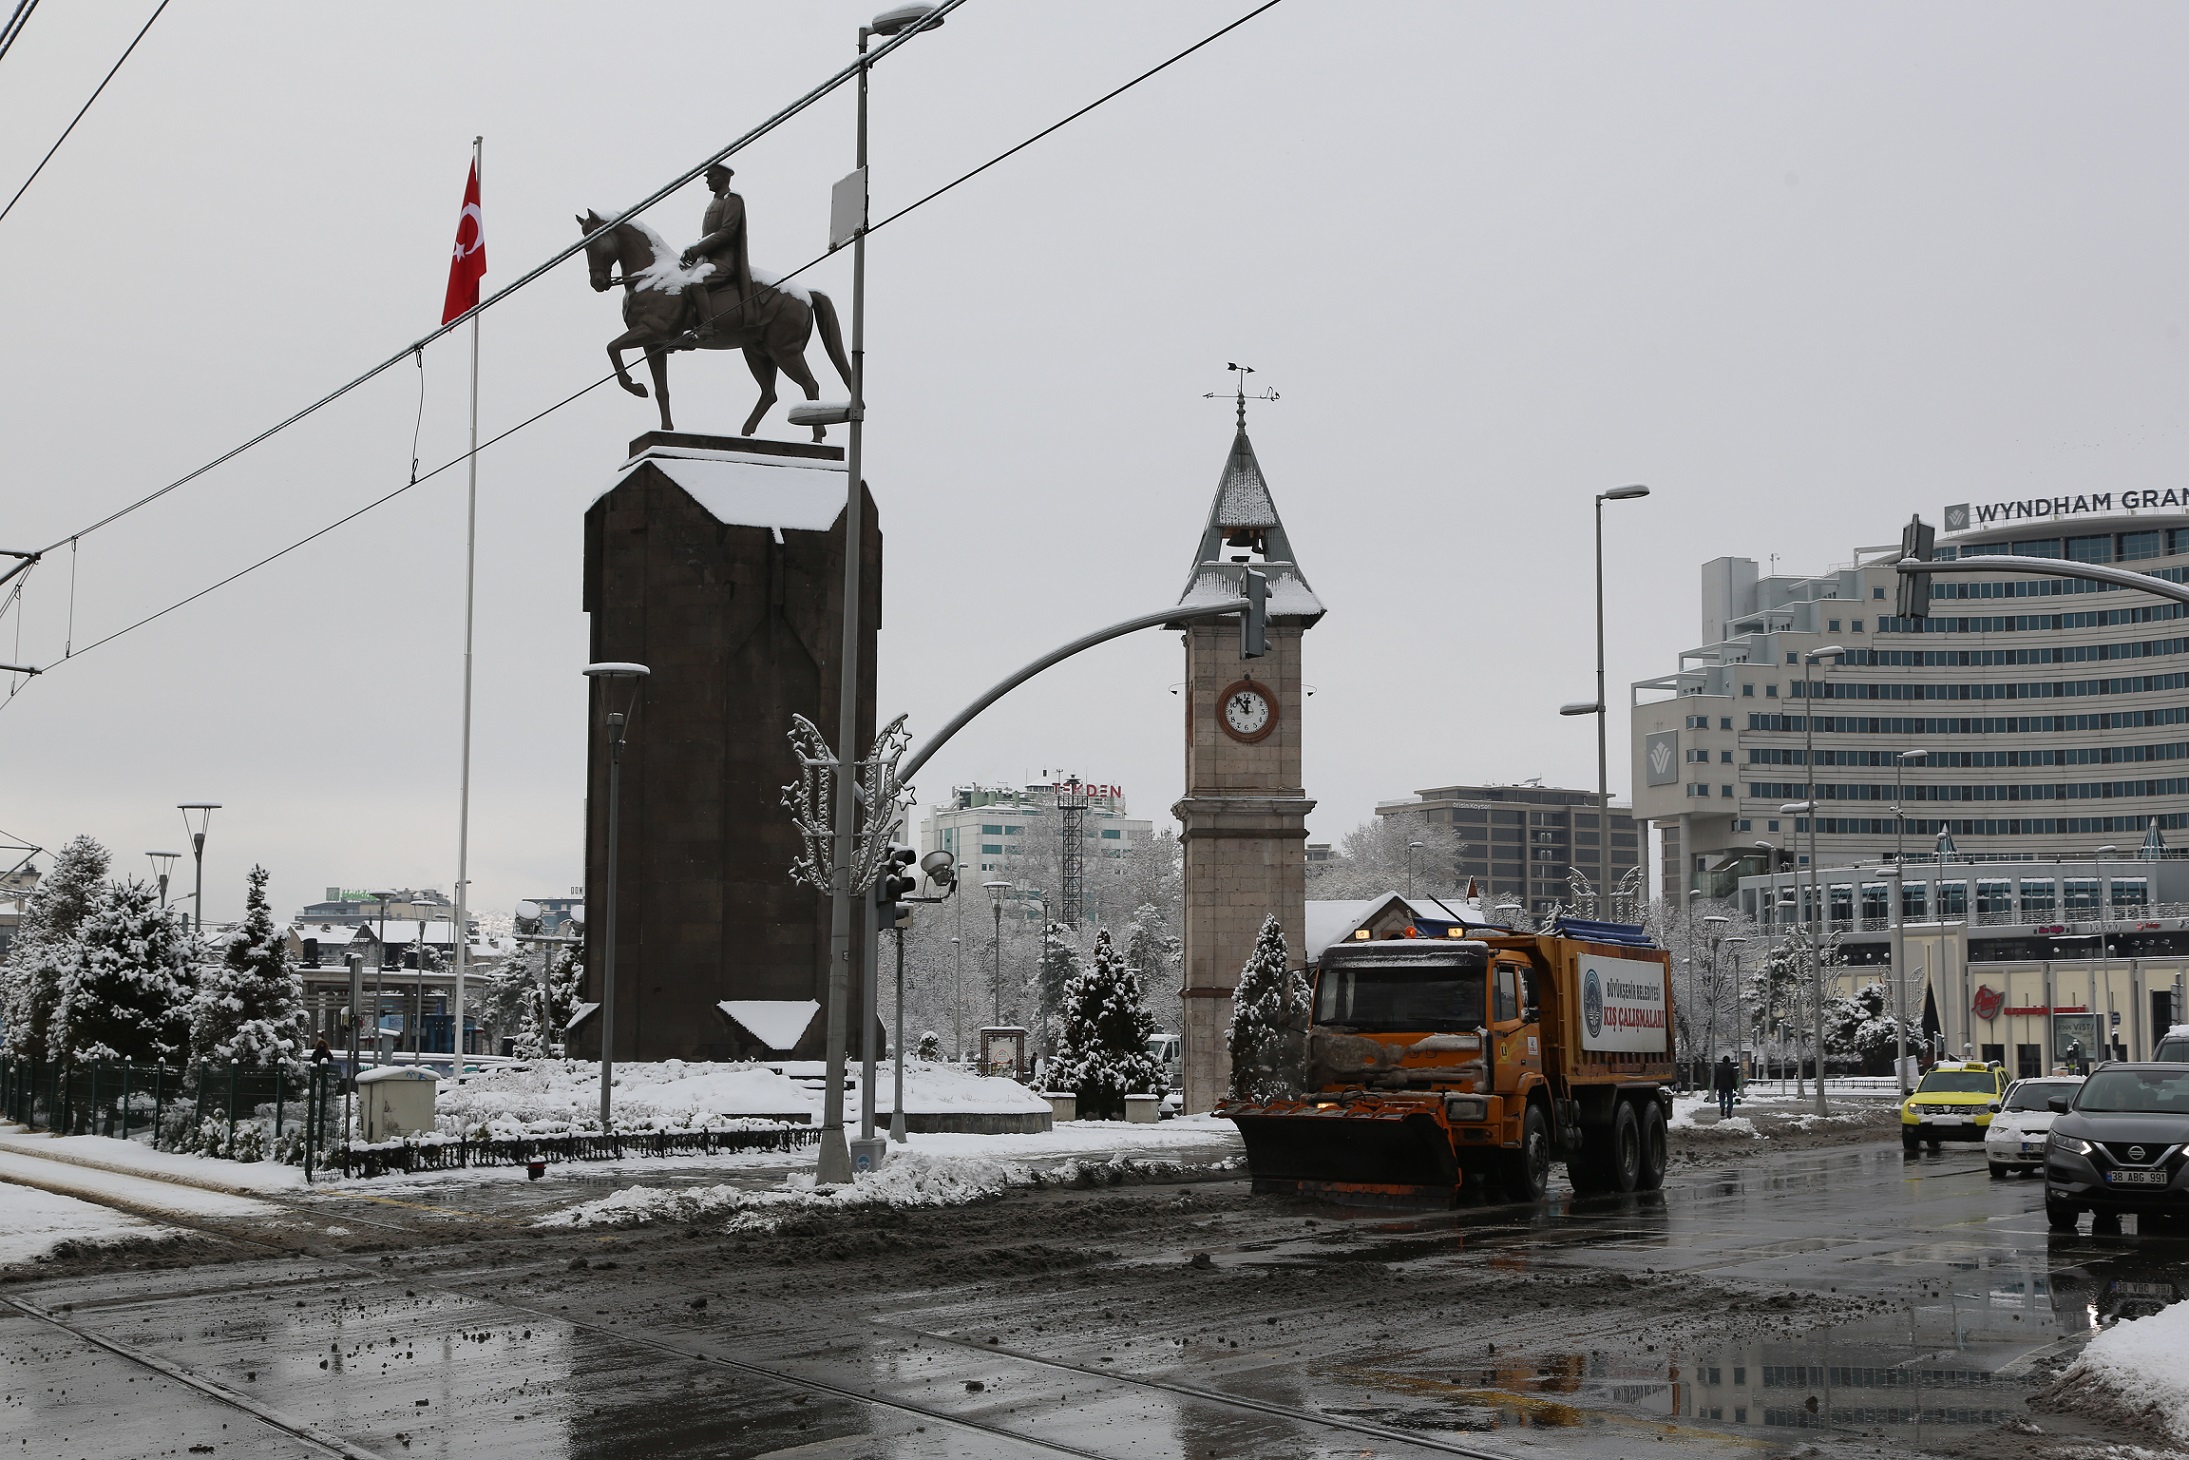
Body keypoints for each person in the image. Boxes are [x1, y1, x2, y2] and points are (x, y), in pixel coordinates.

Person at [678, 162, 756, 340]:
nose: (707, 181)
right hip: (709, 261)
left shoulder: (732, 199)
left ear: (722, 178)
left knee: (697, 283)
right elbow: (709, 236)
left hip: (725, 262)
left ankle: (706, 328)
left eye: (711, 177)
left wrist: (698, 249)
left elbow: (727, 232)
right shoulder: (714, 203)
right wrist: (694, 253)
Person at [1712, 1053, 1738, 1118]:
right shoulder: (1731, 1068)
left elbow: (1716, 1078)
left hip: (1721, 1086)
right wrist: (1735, 1087)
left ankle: (1722, 1107)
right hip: (1729, 1086)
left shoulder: (1719, 1068)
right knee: (1730, 1099)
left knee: (1721, 1098)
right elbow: (1733, 1078)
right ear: (1729, 1061)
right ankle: (1729, 1111)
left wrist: (1715, 1086)